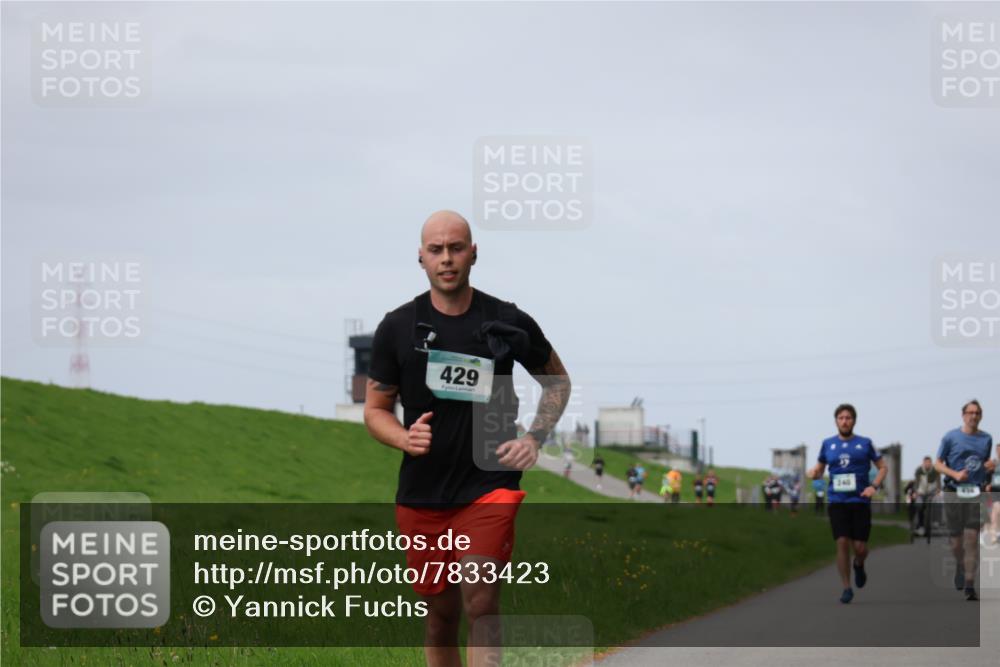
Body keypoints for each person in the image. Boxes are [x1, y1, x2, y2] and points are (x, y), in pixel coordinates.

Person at [363, 210, 571, 666]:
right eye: (436, 250)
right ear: (420, 258)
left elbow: (557, 382)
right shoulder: (397, 327)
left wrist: (535, 438)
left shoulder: (508, 320)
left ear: (474, 253)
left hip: (490, 478)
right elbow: (375, 410)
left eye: (456, 248)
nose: (447, 258)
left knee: (480, 597)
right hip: (424, 489)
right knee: (440, 614)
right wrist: (402, 438)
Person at [808, 403, 887, 604]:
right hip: (837, 500)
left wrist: (873, 487)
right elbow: (819, 468)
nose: (844, 421)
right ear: (836, 421)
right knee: (842, 541)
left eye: (848, 418)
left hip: (860, 500)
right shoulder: (828, 444)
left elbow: (883, 467)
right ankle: (846, 587)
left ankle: (859, 564)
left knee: (860, 547)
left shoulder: (865, 443)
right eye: (841, 418)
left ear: (854, 420)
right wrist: (814, 473)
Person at [934, 399, 994, 601]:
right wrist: (955, 474)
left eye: (977, 413)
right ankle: (959, 565)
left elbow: (980, 464)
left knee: (971, 538)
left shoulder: (986, 439)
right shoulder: (951, 437)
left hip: (974, 493)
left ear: (981, 416)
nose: (974, 416)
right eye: (970, 412)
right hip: (953, 490)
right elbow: (938, 464)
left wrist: (988, 468)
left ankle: (970, 584)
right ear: (963, 415)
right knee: (956, 541)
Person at [912, 456, 941, 536]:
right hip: (921, 492)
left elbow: (938, 481)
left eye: (929, 463)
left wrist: (938, 490)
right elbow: (916, 482)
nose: (927, 464)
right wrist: (915, 492)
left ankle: (936, 521)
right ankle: (920, 525)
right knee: (919, 505)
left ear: (931, 463)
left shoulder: (935, 470)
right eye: (926, 463)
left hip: (932, 492)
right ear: (923, 463)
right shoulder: (919, 470)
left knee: (938, 501)